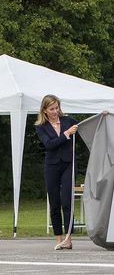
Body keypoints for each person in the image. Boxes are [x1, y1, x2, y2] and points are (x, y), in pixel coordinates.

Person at [34, 94, 79, 250]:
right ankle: (58, 237)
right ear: (45, 110)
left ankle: (68, 238)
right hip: (52, 166)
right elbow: (50, 145)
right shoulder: (41, 127)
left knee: (67, 201)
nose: (55, 111)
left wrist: (103, 115)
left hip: (68, 164)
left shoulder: (68, 121)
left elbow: (86, 125)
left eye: (57, 108)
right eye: (51, 109)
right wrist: (66, 134)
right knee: (54, 203)